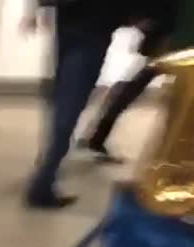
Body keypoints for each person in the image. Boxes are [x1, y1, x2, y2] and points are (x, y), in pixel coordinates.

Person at [23, 0, 133, 209]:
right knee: (70, 103)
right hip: (92, 26)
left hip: (71, 20)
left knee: (64, 99)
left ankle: (46, 168)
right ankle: (43, 183)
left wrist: (38, 9)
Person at [77, 0, 188, 159]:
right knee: (131, 89)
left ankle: (97, 135)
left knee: (133, 88)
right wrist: (142, 19)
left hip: (170, 38)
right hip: (167, 39)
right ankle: (98, 135)